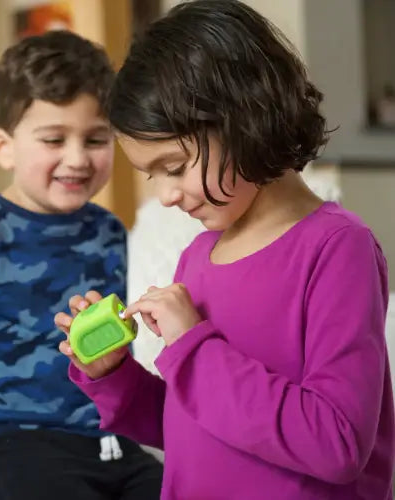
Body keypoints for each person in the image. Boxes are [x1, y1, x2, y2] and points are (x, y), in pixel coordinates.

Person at [56, 1, 395, 499]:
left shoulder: (335, 248)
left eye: (174, 167)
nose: (166, 195)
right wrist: (115, 376)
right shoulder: (197, 257)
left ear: (244, 118)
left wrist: (193, 346)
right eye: (154, 176)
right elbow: (194, 424)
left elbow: (337, 442)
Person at [0, 30, 162, 500]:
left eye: (96, 138)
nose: (78, 158)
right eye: (54, 139)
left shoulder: (110, 231)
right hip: (11, 440)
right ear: (4, 147)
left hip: (110, 439)